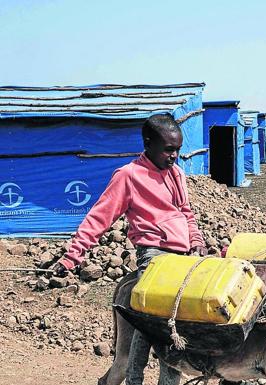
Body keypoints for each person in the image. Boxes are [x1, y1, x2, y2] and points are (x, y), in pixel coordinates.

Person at [52, 112, 208, 385]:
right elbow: (99, 217)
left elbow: (186, 212)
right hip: (154, 255)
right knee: (158, 320)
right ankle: (135, 378)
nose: (174, 156)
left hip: (182, 257)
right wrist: (72, 255)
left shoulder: (177, 174)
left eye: (178, 150)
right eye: (168, 149)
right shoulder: (128, 176)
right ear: (149, 143)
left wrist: (195, 240)